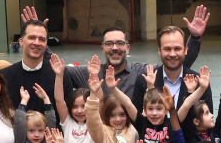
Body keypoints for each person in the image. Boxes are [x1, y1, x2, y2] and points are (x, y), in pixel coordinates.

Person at [59, 6, 209, 108]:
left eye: (120, 43)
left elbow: (174, 63)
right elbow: (56, 69)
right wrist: (39, 43)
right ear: (102, 48)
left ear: (128, 47)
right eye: (109, 44)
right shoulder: (88, 73)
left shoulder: (141, 72)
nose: (115, 48)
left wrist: (195, 38)